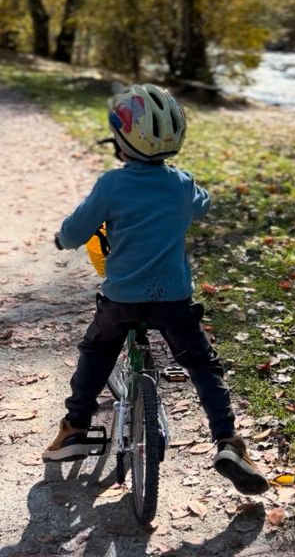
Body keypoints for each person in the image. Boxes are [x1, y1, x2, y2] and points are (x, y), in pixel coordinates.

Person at [41, 83, 269, 495]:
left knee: (97, 349)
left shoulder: (112, 184)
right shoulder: (181, 184)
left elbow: (76, 230)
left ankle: (76, 427)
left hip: (121, 298)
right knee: (202, 365)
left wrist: (62, 238)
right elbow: (204, 202)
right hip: (173, 301)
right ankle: (228, 442)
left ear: (121, 140)